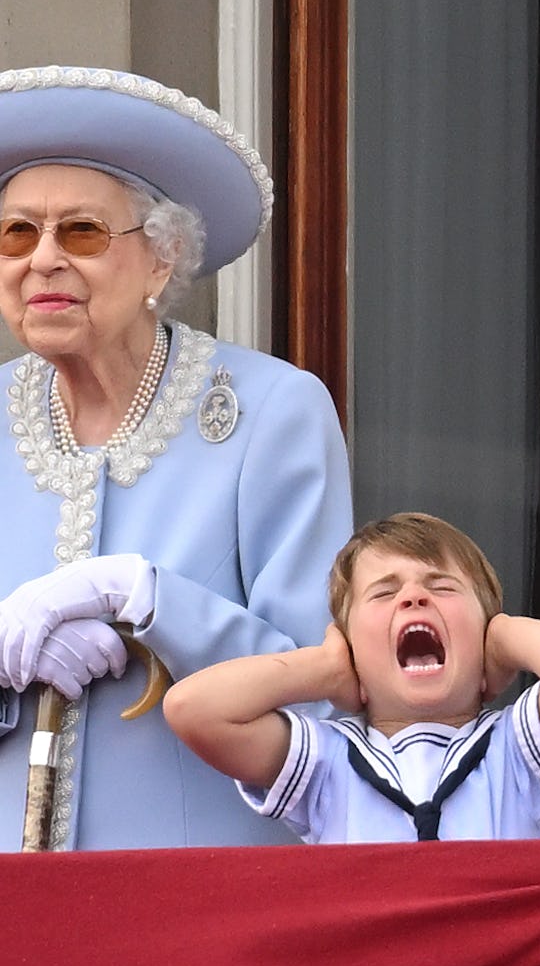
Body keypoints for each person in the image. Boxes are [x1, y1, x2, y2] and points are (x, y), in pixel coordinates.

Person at [0, 64, 352, 850]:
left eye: (82, 232)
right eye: (17, 234)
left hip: (197, 890)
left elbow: (324, 682)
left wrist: (153, 603)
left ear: (161, 260)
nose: (43, 260)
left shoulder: (272, 412)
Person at [163, 512, 540, 844]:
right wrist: (323, 670)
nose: (413, 598)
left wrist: (502, 637)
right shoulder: (328, 764)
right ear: (352, 653)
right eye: (384, 593)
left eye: (442, 586)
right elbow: (194, 709)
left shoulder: (515, 753)